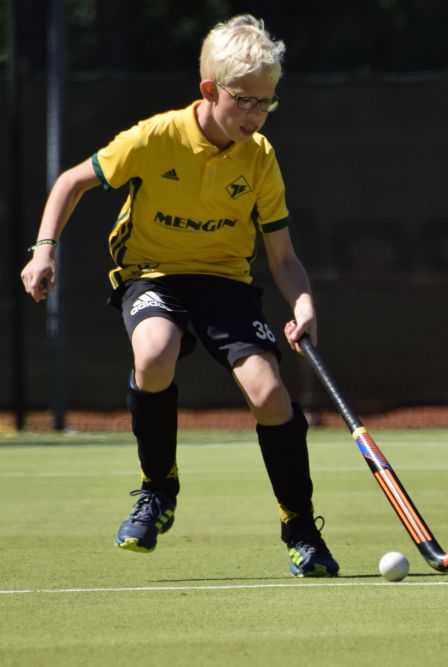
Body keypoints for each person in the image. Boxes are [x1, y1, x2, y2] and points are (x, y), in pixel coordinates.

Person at [19, 15, 339, 577]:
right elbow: (71, 182)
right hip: (152, 273)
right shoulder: (156, 137)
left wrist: (304, 304)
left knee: (269, 393)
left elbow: (283, 258)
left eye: (267, 102)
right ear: (210, 90)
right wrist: (44, 250)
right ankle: (157, 490)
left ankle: (300, 528)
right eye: (245, 100)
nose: (256, 114)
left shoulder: (260, 157)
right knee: (154, 353)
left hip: (225, 282)